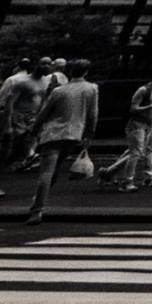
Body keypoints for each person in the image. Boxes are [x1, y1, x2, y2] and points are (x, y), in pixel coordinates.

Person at [24, 58, 96, 225]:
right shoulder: (92, 89)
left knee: (46, 172)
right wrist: (89, 134)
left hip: (52, 134)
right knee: (55, 170)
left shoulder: (59, 91)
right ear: (86, 72)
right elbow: (93, 114)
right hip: (74, 134)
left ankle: (37, 209)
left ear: (70, 72)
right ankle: (39, 201)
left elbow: (44, 114)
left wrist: (34, 131)